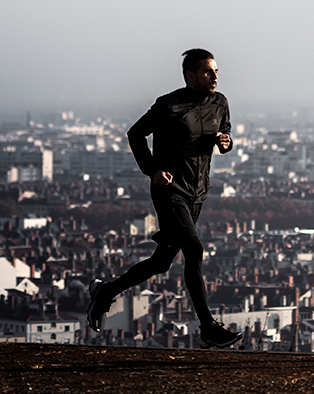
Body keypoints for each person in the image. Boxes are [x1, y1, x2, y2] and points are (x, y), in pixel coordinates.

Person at [88, 48, 241, 348]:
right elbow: (135, 134)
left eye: (216, 71)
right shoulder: (169, 105)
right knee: (194, 250)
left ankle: (106, 292)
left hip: (198, 192)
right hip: (169, 192)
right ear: (190, 76)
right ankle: (208, 327)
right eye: (209, 72)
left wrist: (226, 142)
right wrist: (152, 170)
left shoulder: (220, 103)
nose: (216, 76)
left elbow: (225, 137)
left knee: (161, 263)